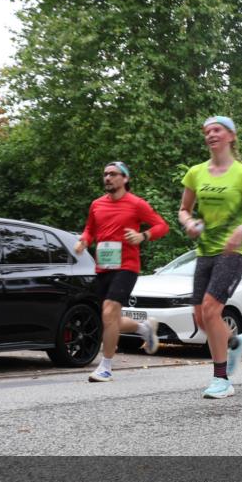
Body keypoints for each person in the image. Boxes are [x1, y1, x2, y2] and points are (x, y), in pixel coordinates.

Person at [178, 116, 242, 399]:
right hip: (205, 250)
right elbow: (184, 209)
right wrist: (189, 223)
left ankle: (221, 379)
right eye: (207, 131)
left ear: (231, 136)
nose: (210, 135)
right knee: (200, 317)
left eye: (216, 130)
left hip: (232, 251)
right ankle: (234, 341)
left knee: (210, 309)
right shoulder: (195, 172)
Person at [75, 161, 168, 382]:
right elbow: (90, 229)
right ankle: (144, 328)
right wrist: (84, 241)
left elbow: (162, 226)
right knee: (110, 318)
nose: (107, 178)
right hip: (104, 266)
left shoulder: (136, 204)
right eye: (105, 174)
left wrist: (142, 236)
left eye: (113, 174)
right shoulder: (97, 204)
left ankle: (105, 367)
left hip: (127, 266)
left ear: (124, 178)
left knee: (108, 312)